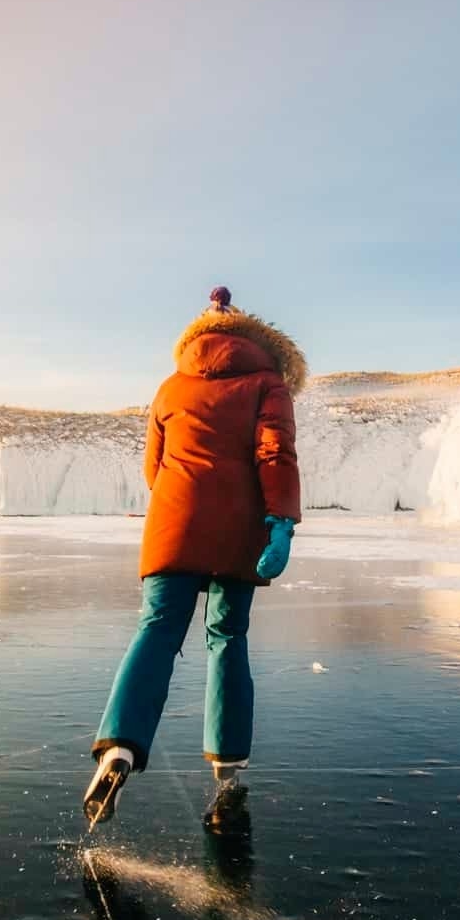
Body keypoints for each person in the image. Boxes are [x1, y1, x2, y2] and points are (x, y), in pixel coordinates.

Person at [83, 286, 305, 828]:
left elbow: (153, 469)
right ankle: (227, 773)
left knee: (156, 630)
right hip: (238, 530)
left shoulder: (170, 386)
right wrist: (281, 522)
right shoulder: (267, 382)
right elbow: (274, 452)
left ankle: (120, 747)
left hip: (172, 525)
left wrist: (184, 501)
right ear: (253, 337)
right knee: (226, 638)